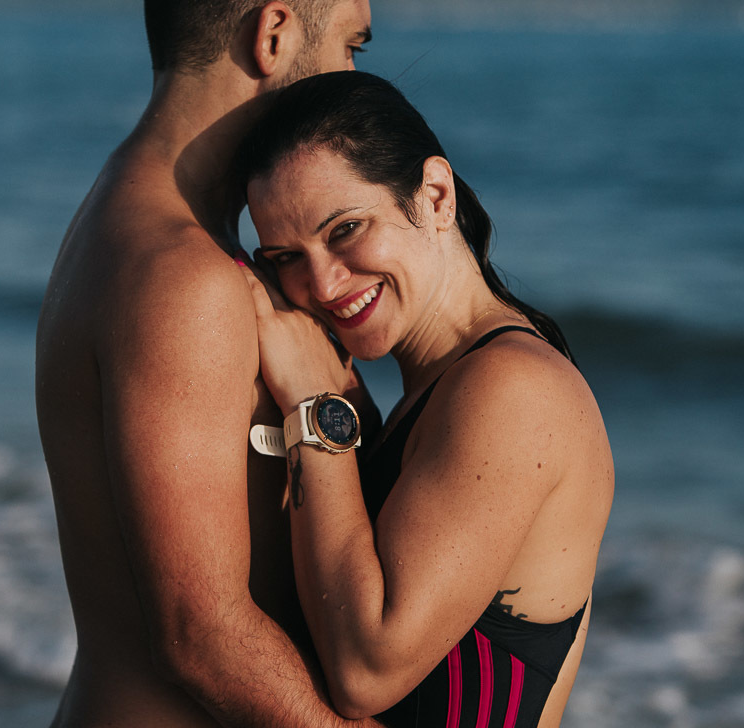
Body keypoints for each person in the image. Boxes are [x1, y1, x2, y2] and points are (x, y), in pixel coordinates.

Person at [35, 0, 389, 726]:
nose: (355, 80)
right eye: (349, 44)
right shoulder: (183, 276)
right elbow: (202, 636)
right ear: (273, 37)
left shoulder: (128, 217)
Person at [238, 71, 615, 727]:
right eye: (285, 258)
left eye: (346, 228)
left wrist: (315, 404)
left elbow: (365, 671)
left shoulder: (512, 388)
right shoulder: (434, 397)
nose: (322, 283)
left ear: (435, 195)